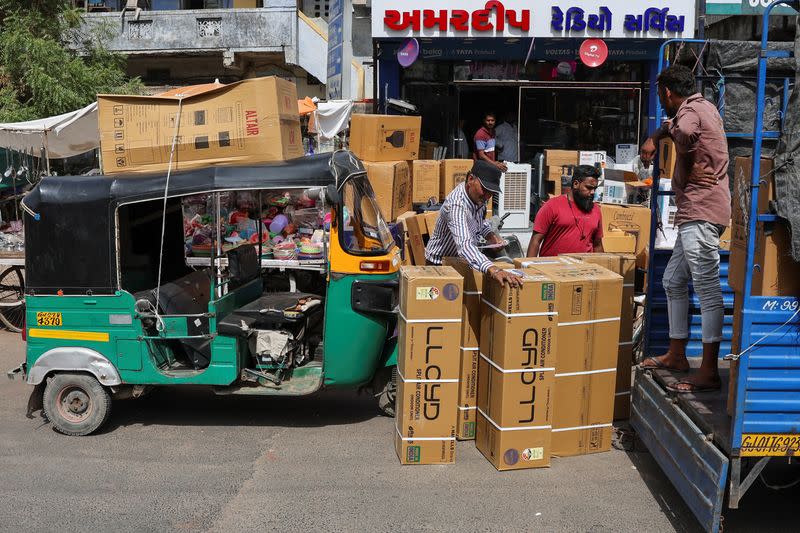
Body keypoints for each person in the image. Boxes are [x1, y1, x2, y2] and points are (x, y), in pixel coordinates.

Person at [638, 65, 731, 393]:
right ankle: (677, 355)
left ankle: (708, 371)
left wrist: (687, 164)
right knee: (673, 280)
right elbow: (675, 127)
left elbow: (687, 133)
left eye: (661, 97)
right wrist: (656, 136)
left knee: (707, 288)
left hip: (702, 212)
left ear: (667, 93)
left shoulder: (689, 111)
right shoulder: (703, 106)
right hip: (697, 212)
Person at [426, 160, 521, 288]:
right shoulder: (456, 205)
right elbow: (465, 245)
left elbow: (480, 223)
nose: (487, 197)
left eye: (491, 193)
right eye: (485, 189)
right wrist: (494, 269)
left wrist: (490, 236)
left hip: (460, 262)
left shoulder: (478, 197)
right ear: (470, 179)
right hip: (439, 265)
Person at [527, 165, 604, 257]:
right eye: (588, 188)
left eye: (594, 189)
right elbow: (535, 241)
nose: (592, 193)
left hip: (584, 268)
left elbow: (597, 244)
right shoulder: (552, 206)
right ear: (576, 184)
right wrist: (528, 268)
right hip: (553, 267)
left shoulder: (596, 210)